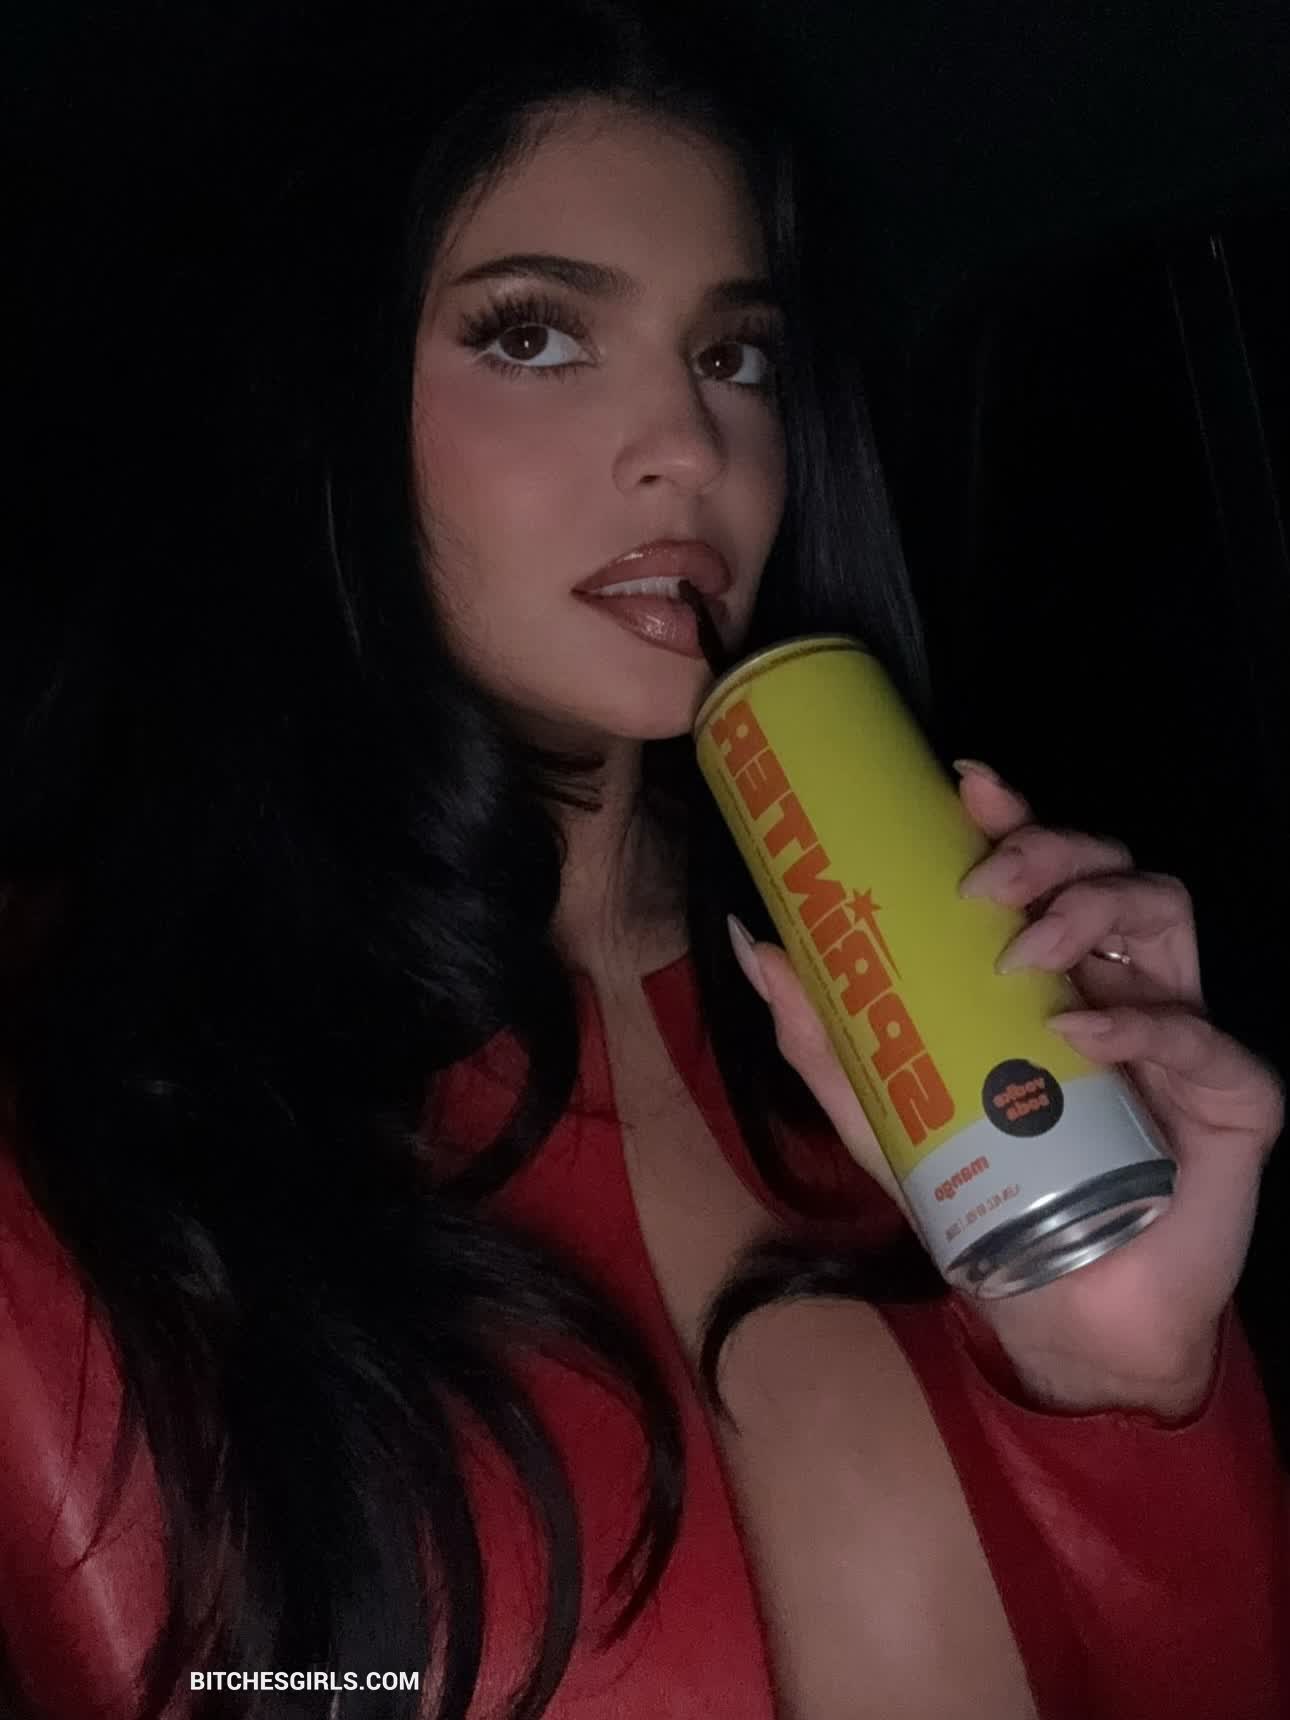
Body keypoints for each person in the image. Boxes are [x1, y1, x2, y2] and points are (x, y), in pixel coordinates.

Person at [2, 3, 1286, 1717]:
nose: (690, 442)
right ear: (312, 406)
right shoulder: (80, 1118)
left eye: (734, 355)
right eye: (532, 335)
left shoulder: (967, 1038)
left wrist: (1126, 1373)